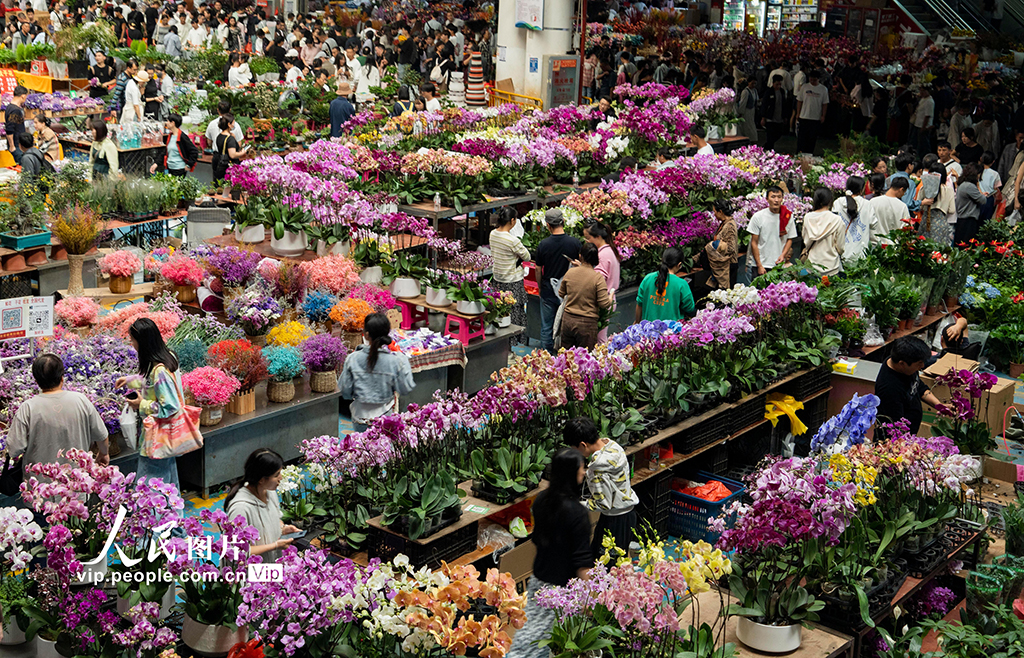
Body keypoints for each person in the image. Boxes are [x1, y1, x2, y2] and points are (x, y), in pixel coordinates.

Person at [506, 448, 591, 658]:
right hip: (563, 592)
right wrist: (590, 599)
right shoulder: (577, 513)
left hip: (539, 581)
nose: (585, 472)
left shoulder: (542, 500)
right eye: (582, 469)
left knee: (529, 639)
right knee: (550, 644)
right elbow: (581, 563)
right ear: (572, 474)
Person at [6, 354, 110, 470]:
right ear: (62, 377)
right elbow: (102, 436)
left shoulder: (27, 408)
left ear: (36, 380)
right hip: (79, 480)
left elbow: (14, 449)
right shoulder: (81, 400)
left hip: (41, 483)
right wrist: (103, 453)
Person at [116, 318, 183, 489]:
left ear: (143, 342)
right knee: (168, 484)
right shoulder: (167, 357)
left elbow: (170, 406)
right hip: (166, 437)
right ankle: (172, 516)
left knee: (149, 488)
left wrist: (142, 404)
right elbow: (153, 384)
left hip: (156, 439)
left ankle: (153, 517)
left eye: (133, 340)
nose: (131, 344)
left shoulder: (159, 371)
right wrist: (130, 380)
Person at [565, 416, 638, 558]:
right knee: (616, 562)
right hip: (628, 514)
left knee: (603, 567)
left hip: (614, 520)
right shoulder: (613, 446)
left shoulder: (596, 471)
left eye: (575, 449)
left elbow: (604, 504)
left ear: (583, 445)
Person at [339, 312, 415, 432]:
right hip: (385, 418)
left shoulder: (352, 358)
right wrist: (401, 355)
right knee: (384, 449)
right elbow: (405, 388)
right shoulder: (395, 360)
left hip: (360, 417)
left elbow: (345, 391)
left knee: (362, 449)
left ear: (366, 334)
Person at [224, 449, 300, 561]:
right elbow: (236, 551)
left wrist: (283, 529)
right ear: (261, 479)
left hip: (270, 563)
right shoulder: (240, 508)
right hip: (250, 571)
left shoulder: (269, 492)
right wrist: (275, 546)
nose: (281, 478)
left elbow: (272, 519)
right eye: (277, 475)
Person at [534, 208, 581, 353]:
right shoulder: (575, 243)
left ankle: (547, 358)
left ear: (547, 225)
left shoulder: (543, 244)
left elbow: (537, 269)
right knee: (566, 326)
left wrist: (540, 286)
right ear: (564, 222)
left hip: (548, 289)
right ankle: (564, 357)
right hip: (569, 291)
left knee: (547, 327)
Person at [875, 336, 942, 436]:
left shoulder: (904, 367)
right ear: (902, 363)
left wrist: (940, 406)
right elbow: (895, 429)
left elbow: (918, 386)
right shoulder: (889, 389)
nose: (922, 366)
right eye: (919, 363)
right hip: (896, 441)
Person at [558, 242, 613, 350]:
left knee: (566, 358)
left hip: (568, 320)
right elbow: (604, 304)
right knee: (584, 360)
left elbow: (561, 293)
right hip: (587, 325)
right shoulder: (597, 278)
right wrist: (611, 296)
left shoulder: (570, 273)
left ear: (580, 256)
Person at [489, 208, 530, 345]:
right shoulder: (513, 240)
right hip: (513, 281)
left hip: (498, 279)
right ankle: (511, 344)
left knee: (500, 311)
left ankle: (500, 344)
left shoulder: (492, 234)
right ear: (512, 221)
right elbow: (527, 256)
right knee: (514, 312)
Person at [745, 186, 795, 278]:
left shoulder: (788, 216)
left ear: (782, 199)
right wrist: (759, 265)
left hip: (778, 264)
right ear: (767, 199)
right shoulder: (758, 217)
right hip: (761, 265)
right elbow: (754, 242)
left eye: (779, 197)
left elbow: (790, 239)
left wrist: (783, 255)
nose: (776, 200)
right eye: (773, 197)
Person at [635, 247, 695, 321]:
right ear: (679, 265)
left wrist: (637, 322)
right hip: (671, 331)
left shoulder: (648, 278)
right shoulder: (681, 284)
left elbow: (639, 303)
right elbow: (689, 308)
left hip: (648, 330)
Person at [585, 222, 620, 343]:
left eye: (588, 238)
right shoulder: (609, 251)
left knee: (598, 338)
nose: (587, 242)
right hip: (609, 298)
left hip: (603, 300)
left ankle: (601, 360)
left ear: (598, 237)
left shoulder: (603, 255)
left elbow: (598, 279)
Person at [801, 188, 845, 276]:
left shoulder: (808, 217)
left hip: (811, 264)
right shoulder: (836, 219)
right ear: (830, 200)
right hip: (831, 265)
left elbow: (805, 238)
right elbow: (840, 247)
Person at [917, 163, 957, 246]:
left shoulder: (923, 188)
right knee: (940, 252)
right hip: (942, 223)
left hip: (926, 221)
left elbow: (919, 206)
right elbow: (952, 210)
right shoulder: (948, 189)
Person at [150, 113, 198, 178]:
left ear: (173, 123)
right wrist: (156, 164)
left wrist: (189, 164)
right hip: (170, 168)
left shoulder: (182, 137)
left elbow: (194, 150)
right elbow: (166, 152)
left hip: (179, 169)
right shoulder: (170, 136)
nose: (166, 123)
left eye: (168, 121)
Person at [795, 70, 829, 155]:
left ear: (818, 79)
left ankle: (809, 155)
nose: (812, 81)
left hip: (815, 118)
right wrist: (798, 113)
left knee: (812, 139)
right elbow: (799, 100)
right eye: (811, 79)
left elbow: (825, 103)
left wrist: (823, 115)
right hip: (804, 116)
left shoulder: (823, 89)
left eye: (814, 80)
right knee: (801, 139)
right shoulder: (804, 87)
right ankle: (799, 154)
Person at [869, 177, 912, 244]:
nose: (903, 195)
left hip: (875, 244)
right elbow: (905, 228)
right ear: (901, 189)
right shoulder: (902, 206)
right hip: (893, 246)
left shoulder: (873, 202)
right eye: (904, 192)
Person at [955, 163, 987, 245]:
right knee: (967, 247)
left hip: (962, 220)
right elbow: (983, 200)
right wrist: (979, 188)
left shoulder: (963, 184)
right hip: (968, 221)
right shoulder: (969, 186)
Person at [761, 74, 791, 150]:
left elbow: (784, 104)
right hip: (770, 118)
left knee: (778, 134)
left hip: (779, 117)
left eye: (780, 84)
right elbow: (764, 105)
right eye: (777, 84)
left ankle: (766, 146)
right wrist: (763, 117)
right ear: (773, 83)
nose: (778, 86)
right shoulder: (769, 92)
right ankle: (769, 149)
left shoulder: (782, 91)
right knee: (770, 135)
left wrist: (785, 116)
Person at [212, 113, 245, 182]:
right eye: (233, 123)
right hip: (229, 167)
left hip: (220, 163)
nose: (234, 125)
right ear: (229, 124)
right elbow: (232, 155)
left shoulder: (219, 136)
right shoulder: (230, 139)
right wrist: (242, 152)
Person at [4, 84, 25, 163]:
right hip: (17, 145)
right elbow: (9, 129)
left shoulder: (9, 107)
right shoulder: (15, 110)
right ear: (22, 96)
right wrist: (12, 146)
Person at [737, 77, 758, 143]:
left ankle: (752, 139)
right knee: (747, 126)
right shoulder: (745, 91)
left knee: (751, 125)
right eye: (752, 83)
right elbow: (743, 103)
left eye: (755, 83)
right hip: (746, 112)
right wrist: (740, 112)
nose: (753, 85)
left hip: (752, 111)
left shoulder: (755, 91)